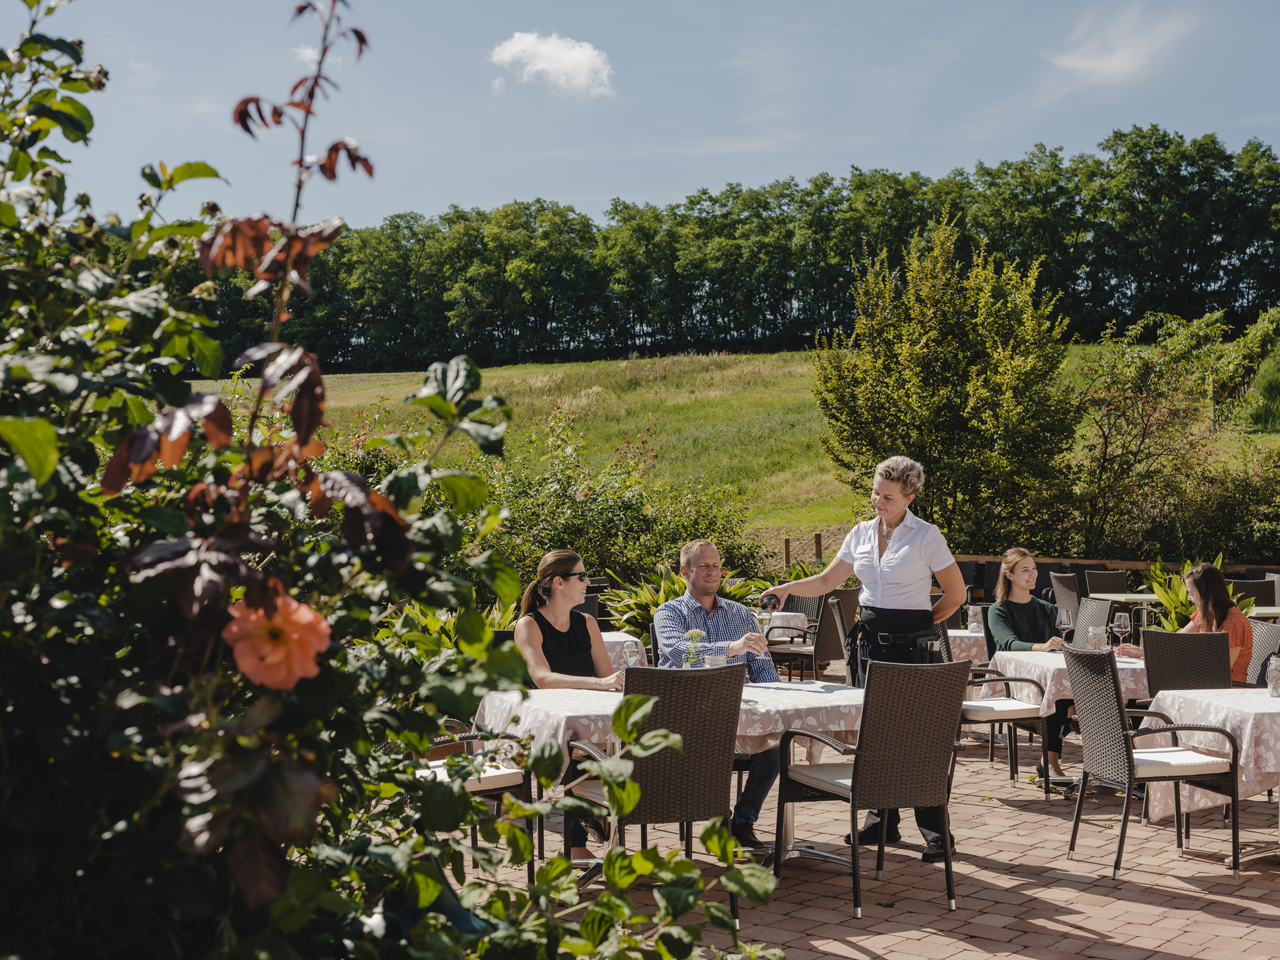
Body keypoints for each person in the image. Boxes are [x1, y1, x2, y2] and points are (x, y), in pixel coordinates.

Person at [761, 456, 966, 863]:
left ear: (910, 496)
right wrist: (786, 587)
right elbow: (826, 581)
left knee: (916, 737)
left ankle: (938, 832)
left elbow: (956, 594)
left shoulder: (927, 536)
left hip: (911, 648)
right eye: (875, 492)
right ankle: (881, 820)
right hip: (869, 645)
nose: (878, 501)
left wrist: (922, 626)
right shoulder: (860, 533)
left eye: (887, 496)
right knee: (873, 732)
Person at [653, 539, 778, 851]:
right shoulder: (668, 614)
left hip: (740, 709)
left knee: (777, 742)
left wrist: (776, 698)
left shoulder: (741, 614)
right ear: (684, 571)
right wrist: (732, 648)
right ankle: (717, 818)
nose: (712, 572)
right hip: (688, 713)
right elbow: (682, 654)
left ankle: (744, 820)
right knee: (714, 740)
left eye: (716, 566)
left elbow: (761, 664)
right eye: (703, 566)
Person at [514, 549, 622, 860]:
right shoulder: (529, 625)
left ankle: (600, 824)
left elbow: (607, 678)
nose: (588, 582)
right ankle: (582, 837)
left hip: (584, 722)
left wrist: (613, 684)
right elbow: (542, 679)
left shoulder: (587, 622)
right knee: (585, 746)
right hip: (542, 726)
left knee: (626, 743)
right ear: (559, 583)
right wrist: (600, 684)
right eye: (582, 576)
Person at [988, 547, 1071, 780]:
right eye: (1025, 570)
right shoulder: (998, 610)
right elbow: (1008, 644)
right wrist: (1041, 646)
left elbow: (1058, 648)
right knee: (1060, 696)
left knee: (1089, 693)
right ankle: (1051, 762)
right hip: (1017, 685)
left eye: (1034, 568)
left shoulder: (1045, 608)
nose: (1032, 574)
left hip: (1047, 680)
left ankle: (1118, 761)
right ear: (1009, 574)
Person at [1116, 562, 1253, 684]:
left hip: (1226, 692)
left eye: (1192, 594)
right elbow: (1176, 641)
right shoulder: (1205, 614)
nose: (1188, 598)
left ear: (1208, 593)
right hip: (1200, 684)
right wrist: (1141, 651)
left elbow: (1219, 670)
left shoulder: (1235, 622)